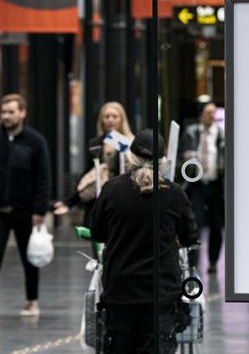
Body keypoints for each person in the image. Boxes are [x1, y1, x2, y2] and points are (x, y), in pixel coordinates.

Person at [91, 128, 198, 353]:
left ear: (130, 157)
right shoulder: (174, 193)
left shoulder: (112, 190)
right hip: (161, 292)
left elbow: (98, 234)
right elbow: (190, 236)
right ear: (163, 160)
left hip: (120, 290)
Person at [0, 93, 51, 317]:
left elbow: (43, 178)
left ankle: (32, 300)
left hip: (25, 210)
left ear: (22, 113)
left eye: (11, 112)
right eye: (3, 112)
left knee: (29, 257)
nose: (6, 116)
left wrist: (39, 210)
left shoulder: (36, 141)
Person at [53, 101, 134, 223]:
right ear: (101, 120)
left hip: (121, 198)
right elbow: (88, 173)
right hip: (98, 198)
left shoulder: (129, 142)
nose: (110, 120)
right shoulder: (96, 143)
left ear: (122, 119)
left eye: (114, 116)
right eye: (106, 116)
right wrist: (69, 202)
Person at [180, 101, 225, 273]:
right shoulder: (191, 132)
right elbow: (182, 155)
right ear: (200, 115)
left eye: (213, 112)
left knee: (216, 225)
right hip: (196, 184)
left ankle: (213, 261)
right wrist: (188, 157)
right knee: (195, 222)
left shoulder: (220, 134)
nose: (212, 116)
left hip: (215, 185)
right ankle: (193, 261)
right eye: (208, 112)